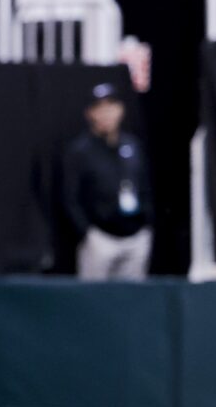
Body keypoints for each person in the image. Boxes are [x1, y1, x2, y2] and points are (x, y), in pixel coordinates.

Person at [63, 83, 153, 281]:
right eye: (100, 108)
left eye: (111, 107)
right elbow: (70, 198)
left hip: (135, 236)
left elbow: (144, 186)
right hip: (101, 239)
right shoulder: (80, 151)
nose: (106, 114)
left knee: (132, 301)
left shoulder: (132, 146)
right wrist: (88, 233)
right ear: (90, 113)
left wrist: (146, 224)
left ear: (121, 110)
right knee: (95, 301)